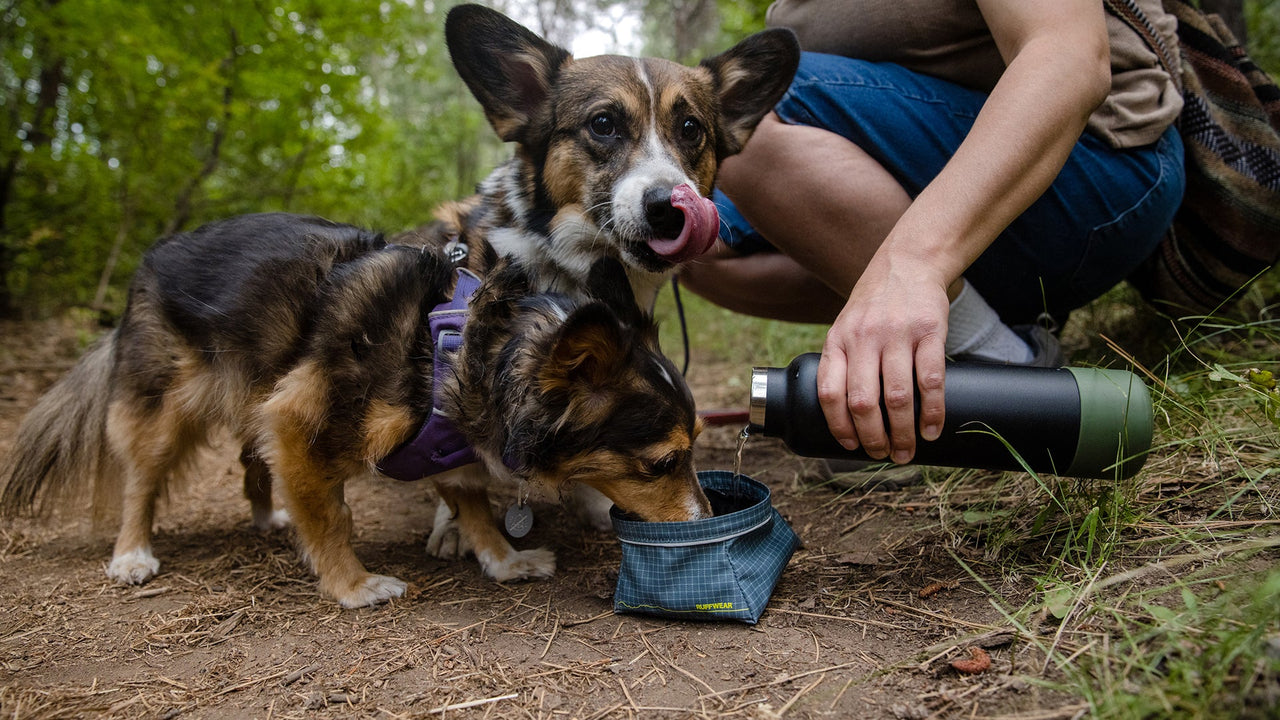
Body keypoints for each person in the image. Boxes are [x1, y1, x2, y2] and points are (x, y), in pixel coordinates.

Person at [680, 0, 1185, 467]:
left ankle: (998, 361)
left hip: (1096, 172)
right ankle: (967, 344)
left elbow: (1069, 58)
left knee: (737, 115)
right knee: (690, 245)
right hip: (955, 194)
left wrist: (913, 266)